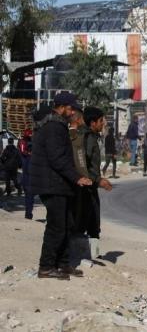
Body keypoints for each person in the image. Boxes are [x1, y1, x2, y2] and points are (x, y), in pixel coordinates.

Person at [29, 92, 92, 280]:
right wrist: (76, 177)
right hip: (51, 183)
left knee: (66, 224)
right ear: (63, 107)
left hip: (58, 184)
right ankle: (46, 266)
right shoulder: (54, 127)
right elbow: (58, 159)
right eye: (71, 108)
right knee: (56, 226)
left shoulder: (57, 125)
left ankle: (63, 264)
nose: (72, 112)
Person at [81, 107, 113, 258]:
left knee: (94, 219)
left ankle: (93, 253)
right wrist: (98, 180)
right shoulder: (88, 138)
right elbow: (84, 165)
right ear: (93, 123)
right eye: (101, 121)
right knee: (90, 219)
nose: (103, 124)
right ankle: (88, 254)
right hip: (86, 186)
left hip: (91, 185)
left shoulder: (93, 137)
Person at [18, 129, 33, 219]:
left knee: (29, 196)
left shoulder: (29, 143)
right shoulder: (22, 142)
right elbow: (23, 151)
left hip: (28, 176)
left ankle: (28, 213)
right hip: (27, 176)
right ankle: (28, 213)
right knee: (29, 195)